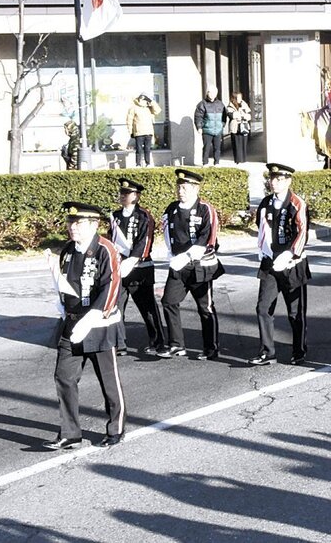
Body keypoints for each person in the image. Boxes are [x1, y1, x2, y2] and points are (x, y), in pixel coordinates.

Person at [43, 202, 126, 450]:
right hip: (72, 324)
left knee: (108, 381)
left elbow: (111, 286)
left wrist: (92, 317)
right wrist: (63, 306)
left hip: (99, 325)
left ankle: (116, 427)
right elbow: (65, 283)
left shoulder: (105, 249)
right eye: (70, 223)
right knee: (64, 377)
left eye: (78, 223)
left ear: (93, 224)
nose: (72, 228)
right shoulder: (68, 250)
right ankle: (70, 433)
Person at [249, 163, 311, 366]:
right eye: (272, 178)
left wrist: (290, 254)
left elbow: (302, 232)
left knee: (295, 311)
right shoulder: (266, 203)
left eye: (279, 179)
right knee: (263, 307)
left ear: (288, 180)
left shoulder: (296, 203)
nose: (274, 182)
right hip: (270, 263)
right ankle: (267, 351)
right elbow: (262, 228)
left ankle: (299, 349)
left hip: (292, 264)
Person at [160, 169, 225, 360]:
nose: (181, 191)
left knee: (205, 307)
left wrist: (188, 256)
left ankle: (211, 347)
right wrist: (172, 255)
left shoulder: (206, 209)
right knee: (169, 301)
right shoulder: (171, 209)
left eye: (185, 187)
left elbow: (208, 238)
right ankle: (176, 344)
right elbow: (167, 233)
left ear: (196, 188)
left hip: (200, 266)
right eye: (179, 187)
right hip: (178, 267)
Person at [110, 178, 165, 357]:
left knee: (148, 308)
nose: (123, 196)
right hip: (119, 268)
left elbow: (145, 241)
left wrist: (133, 259)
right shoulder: (115, 216)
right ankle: (119, 343)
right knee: (116, 307)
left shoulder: (144, 216)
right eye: (122, 193)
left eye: (127, 194)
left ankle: (158, 341)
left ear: (137, 195)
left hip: (140, 268)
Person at [126, 93, 161, 168]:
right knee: (139, 149)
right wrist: (130, 131)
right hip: (139, 132)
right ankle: (138, 164)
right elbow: (129, 120)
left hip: (148, 132)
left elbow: (158, 110)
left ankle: (148, 163)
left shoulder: (149, 108)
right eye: (141, 99)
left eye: (144, 99)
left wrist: (150, 101)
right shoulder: (134, 108)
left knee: (147, 149)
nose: (143, 100)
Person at [194, 87, 226, 166]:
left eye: (214, 93)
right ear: (207, 93)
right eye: (210, 92)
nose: (212, 94)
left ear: (216, 94)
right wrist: (199, 127)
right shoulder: (202, 104)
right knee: (206, 148)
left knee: (217, 148)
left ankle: (217, 162)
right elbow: (198, 116)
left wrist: (222, 125)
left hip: (218, 130)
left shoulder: (220, 104)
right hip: (207, 130)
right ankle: (205, 163)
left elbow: (224, 116)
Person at [226, 91, 252, 164]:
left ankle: (244, 160)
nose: (240, 99)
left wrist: (243, 115)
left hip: (244, 126)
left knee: (244, 143)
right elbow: (232, 115)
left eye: (241, 97)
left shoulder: (244, 104)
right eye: (238, 97)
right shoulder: (230, 105)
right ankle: (238, 160)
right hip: (235, 128)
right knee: (237, 144)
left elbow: (249, 114)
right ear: (234, 98)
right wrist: (241, 115)